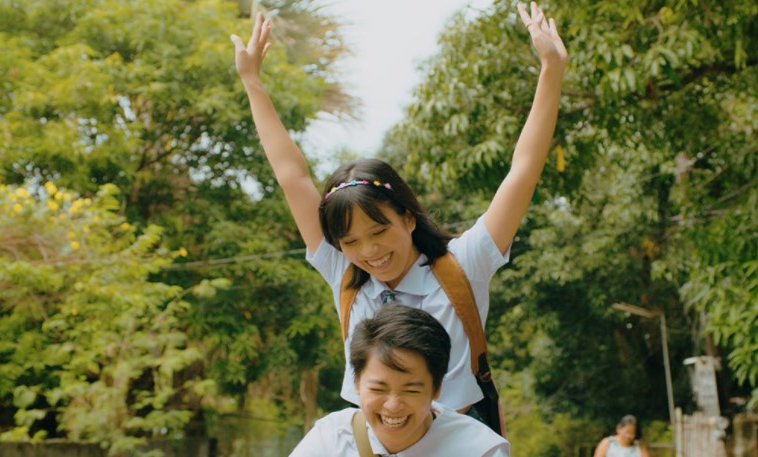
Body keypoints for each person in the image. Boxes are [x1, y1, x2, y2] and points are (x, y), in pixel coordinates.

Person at [230, 2, 567, 414]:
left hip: (456, 437)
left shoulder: (464, 262)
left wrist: (551, 69)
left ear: (408, 218)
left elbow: (523, 172)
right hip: (371, 439)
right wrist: (252, 82)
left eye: (378, 231)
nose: (369, 251)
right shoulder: (344, 273)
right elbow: (292, 177)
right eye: (351, 241)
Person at [290, 304, 510, 456]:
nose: (393, 406)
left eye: (410, 390)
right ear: (356, 383)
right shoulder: (331, 438)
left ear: (436, 389)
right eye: (378, 389)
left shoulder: (480, 450)